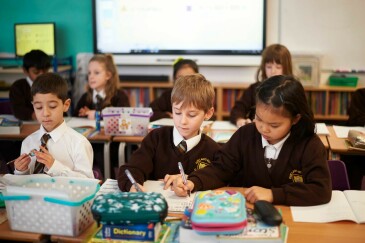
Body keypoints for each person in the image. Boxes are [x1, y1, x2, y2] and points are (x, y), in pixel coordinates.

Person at [173, 75, 332, 206]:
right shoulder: (245, 135)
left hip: (293, 219)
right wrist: (193, 181)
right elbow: (221, 169)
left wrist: (273, 194)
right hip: (248, 213)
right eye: (258, 118)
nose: (264, 129)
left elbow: (320, 190)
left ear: (295, 119)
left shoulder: (309, 144)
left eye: (274, 125)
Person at [117, 73, 220, 192]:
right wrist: (133, 187)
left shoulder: (213, 150)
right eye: (177, 112)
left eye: (191, 115)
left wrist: (191, 179)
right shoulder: (156, 139)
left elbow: (221, 178)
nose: (183, 121)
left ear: (208, 113)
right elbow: (131, 169)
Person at [13, 73, 94, 178]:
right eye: (38, 107)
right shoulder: (28, 142)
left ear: (66, 105)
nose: (45, 113)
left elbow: (87, 182)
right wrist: (20, 171)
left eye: (52, 106)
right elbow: (24, 182)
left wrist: (54, 166)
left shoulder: (79, 143)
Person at [230, 44, 293, 127]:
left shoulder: (293, 90)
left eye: (278, 67)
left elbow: (302, 116)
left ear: (286, 68)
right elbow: (237, 109)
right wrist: (240, 120)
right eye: (269, 67)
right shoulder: (254, 88)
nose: (273, 71)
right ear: (263, 68)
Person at [73, 54, 130, 119]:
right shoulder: (85, 97)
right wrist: (84, 114)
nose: (91, 76)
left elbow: (124, 117)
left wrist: (97, 115)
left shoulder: (120, 96)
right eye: (89, 73)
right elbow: (75, 118)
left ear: (108, 75)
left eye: (96, 73)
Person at [9, 49, 51, 120]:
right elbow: (18, 109)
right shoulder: (18, 87)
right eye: (36, 72)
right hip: (27, 123)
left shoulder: (53, 85)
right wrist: (35, 115)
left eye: (45, 71)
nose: (41, 75)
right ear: (25, 71)